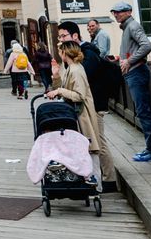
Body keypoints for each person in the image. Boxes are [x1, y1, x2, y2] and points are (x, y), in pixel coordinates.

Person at [48, 40, 112, 184]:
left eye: (60, 51)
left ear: (65, 53)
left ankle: (95, 184)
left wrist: (59, 91)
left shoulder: (76, 70)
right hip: (77, 114)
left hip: (83, 115)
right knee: (86, 148)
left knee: (90, 148)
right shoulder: (72, 68)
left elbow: (79, 95)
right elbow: (65, 89)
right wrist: (56, 76)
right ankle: (90, 182)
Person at [111, 2, 151, 162]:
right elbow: (135, 48)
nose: (116, 14)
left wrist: (129, 61)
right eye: (114, 12)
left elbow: (147, 46)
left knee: (144, 112)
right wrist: (121, 59)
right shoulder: (127, 26)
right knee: (143, 111)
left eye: (120, 11)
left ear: (129, 12)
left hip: (137, 72)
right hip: (134, 72)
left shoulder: (132, 26)